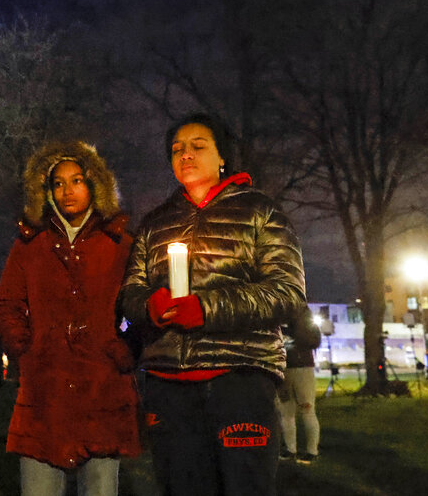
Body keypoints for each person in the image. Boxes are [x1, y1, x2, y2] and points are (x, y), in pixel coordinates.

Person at [117, 113, 306, 496]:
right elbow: (130, 292)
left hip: (239, 378)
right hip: (169, 385)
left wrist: (206, 308)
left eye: (198, 146)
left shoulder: (259, 212)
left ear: (222, 157)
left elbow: (287, 292)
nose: (185, 154)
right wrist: (149, 305)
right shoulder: (156, 223)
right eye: (176, 149)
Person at [0, 141, 140, 496]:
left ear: (94, 185)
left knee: (101, 487)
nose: (67, 191)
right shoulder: (29, 245)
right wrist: (26, 349)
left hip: (101, 387)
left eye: (76, 180)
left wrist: (123, 345)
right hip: (46, 391)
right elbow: (9, 302)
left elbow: (138, 307)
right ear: (45, 191)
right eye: (57, 183)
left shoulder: (120, 244)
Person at [278, 304, 322, 465]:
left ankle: (303, 450)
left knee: (301, 410)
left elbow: (311, 339)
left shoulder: (293, 312)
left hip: (295, 367)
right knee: (293, 411)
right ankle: (301, 450)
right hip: (294, 367)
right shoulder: (302, 311)